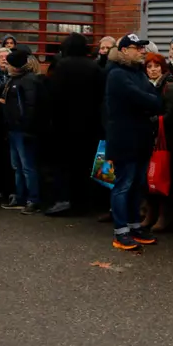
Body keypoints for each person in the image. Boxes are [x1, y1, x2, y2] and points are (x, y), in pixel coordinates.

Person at [104, 33, 161, 250]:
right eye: (137, 48)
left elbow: (156, 100)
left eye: (142, 48)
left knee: (138, 185)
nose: (142, 51)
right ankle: (121, 231)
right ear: (124, 50)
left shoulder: (138, 74)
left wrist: (148, 102)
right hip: (124, 139)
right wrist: (148, 102)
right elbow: (140, 98)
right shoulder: (117, 74)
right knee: (123, 185)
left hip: (142, 139)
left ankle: (134, 226)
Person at [0, 48, 45, 215]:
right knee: (17, 166)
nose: (6, 65)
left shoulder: (27, 81)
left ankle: (33, 200)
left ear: (16, 66)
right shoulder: (13, 80)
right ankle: (20, 197)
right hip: (13, 129)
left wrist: (28, 128)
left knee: (27, 166)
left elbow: (31, 107)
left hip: (23, 130)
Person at [46, 33, 105, 216]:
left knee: (65, 165)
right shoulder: (94, 67)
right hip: (90, 124)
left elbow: (54, 96)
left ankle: (65, 201)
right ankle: (85, 203)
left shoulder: (62, 67)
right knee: (86, 165)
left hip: (64, 124)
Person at [143, 51, 173, 232]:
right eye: (149, 67)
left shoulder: (169, 86)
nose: (153, 70)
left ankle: (164, 215)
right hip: (150, 137)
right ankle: (151, 213)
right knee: (149, 177)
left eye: (156, 66)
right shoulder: (146, 85)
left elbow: (172, 113)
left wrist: (154, 122)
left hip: (165, 139)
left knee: (162, 175)